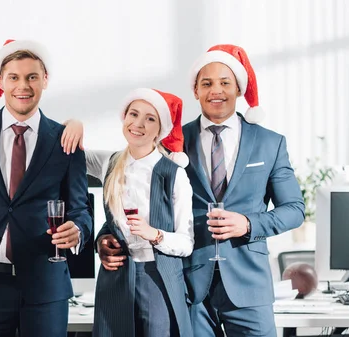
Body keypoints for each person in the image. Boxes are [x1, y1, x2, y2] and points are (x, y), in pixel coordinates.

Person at [0, 39, 93, 337]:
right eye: (14, 77)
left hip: (46, 286)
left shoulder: (66, 141)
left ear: (45, 80)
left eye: (32, 76)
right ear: (0, 81)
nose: (23, 85)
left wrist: (78, 230)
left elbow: (79, 209)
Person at [182, 44, 305, 336]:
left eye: (225, 83)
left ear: (238, 89)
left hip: (249, 284)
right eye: (207, 83)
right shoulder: (173, 141)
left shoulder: (270, 143)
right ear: (195, 91)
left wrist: (248, 224)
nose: (216, 91)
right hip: (188, 286)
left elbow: (294, 210)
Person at [66, 88, 194, 336]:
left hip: (158, 279)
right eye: (133, 114)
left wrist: (154, 234)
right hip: (117, 276)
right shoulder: (109, 162)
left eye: (150, 118)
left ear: (160, 130)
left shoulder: (174, 174)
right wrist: (74, 124)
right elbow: (67, 150)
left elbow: (186, 243)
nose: (138, 124)